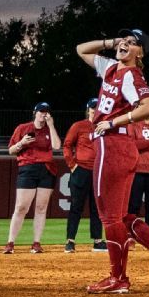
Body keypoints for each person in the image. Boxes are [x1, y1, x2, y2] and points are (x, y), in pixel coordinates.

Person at [73, 31, 149, 291]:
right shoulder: (111, 68)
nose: (125, 44)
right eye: (124, 40)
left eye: (132, 43)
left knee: (109, 217)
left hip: (113, 144)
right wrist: (110, 43)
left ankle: (118, 278)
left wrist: (112, 121)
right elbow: (81, 48)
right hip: (120, 147)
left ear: (140, 53)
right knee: (122, 216)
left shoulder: (131, 75)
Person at [5, 102, 62, 254]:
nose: (44, 114)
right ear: (35, 112)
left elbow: (57, 146)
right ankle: (10, 243)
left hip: (46, 169)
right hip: (28, 168)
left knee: (41, 208)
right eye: (41, 111)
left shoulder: (49, 129)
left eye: (46, 112)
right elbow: (11, 150)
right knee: (21, 207)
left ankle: (36, 243)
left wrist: (51, 125)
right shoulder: (23, 128)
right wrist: (22, 143)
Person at [64, 99, 104, 252]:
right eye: (93, 108)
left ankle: (98, 241)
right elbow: (67, 144)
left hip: (98, 171)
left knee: (97, 208)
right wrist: (72, 165)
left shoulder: (104, 126)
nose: (95, 110)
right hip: (81, 170)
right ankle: (70, 241)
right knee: (76, 207)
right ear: (88, 110)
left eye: (98, 107)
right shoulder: (79, 126)